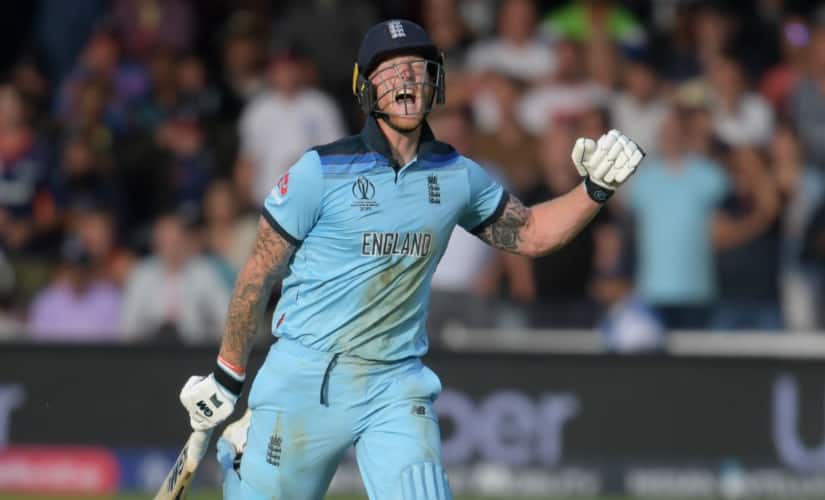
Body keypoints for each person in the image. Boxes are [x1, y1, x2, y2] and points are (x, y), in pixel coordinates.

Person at [176, 20, 644, 500]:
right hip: (305, 376)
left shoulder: (456, 174)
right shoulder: (319, 171)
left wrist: (595, 189)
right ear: (366, 86)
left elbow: (531, 234)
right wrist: (227, 376)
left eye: (417, 67)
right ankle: (243, 454)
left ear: (434, 81)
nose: (405, 78)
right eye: (390, 69)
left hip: (395, 383)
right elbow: (258, 274)